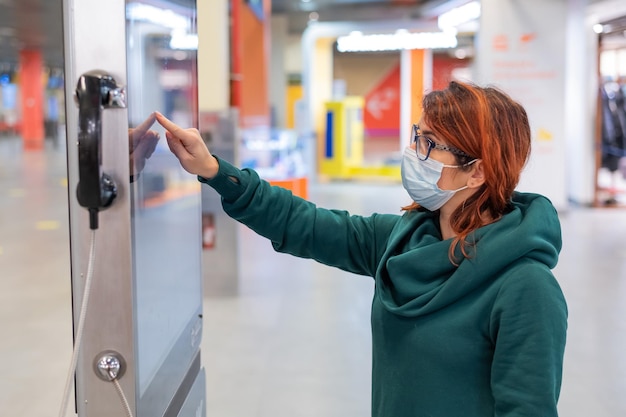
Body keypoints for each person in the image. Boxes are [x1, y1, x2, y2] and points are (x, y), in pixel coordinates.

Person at [155, 80, 568, 417]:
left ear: (476, 170)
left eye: (429, 145)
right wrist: (214, 170)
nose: (414, 153)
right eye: (416, 136)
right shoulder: (403, 241)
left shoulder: (526, 289)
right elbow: (307, 224)